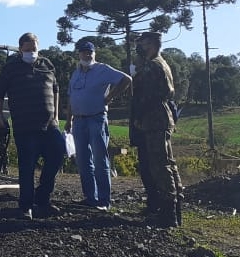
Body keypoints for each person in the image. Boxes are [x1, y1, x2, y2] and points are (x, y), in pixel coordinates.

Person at [0, 32, 66, 220]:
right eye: (28, 48)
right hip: (25, 126)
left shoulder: (47, 65)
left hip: (50, 124)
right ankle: (26, 206)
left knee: (58, 155)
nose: (32, 51)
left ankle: (42, 198)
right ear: (20, 49)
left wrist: (57, 115)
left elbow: (56, 90)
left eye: (34, 47)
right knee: (27, 166)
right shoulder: (11, 67)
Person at [65, 40, 132, 210]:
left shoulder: (103, 69)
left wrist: (109, 97)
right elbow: (71, 98)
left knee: (100, 159)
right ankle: (90, 198)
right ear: (79, 54)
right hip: (78, 121)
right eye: (84, 52)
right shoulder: (75, 74)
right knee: (82, 160)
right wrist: (68, 119)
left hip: (96, 118)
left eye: (90, 52)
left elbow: (126, 79)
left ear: (94, 54)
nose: (87, 55)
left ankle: (103, 201)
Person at [129, 31, 183, 227]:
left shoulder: (152, 65)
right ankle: (176, 209)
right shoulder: (163, 62)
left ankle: (168, 213)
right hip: (163, 116)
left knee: (159, 165)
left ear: (150, 44)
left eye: (142, 43)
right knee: (168, 162)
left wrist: (139, 117)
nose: (140, 46)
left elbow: (147, 96)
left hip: (154, 118)